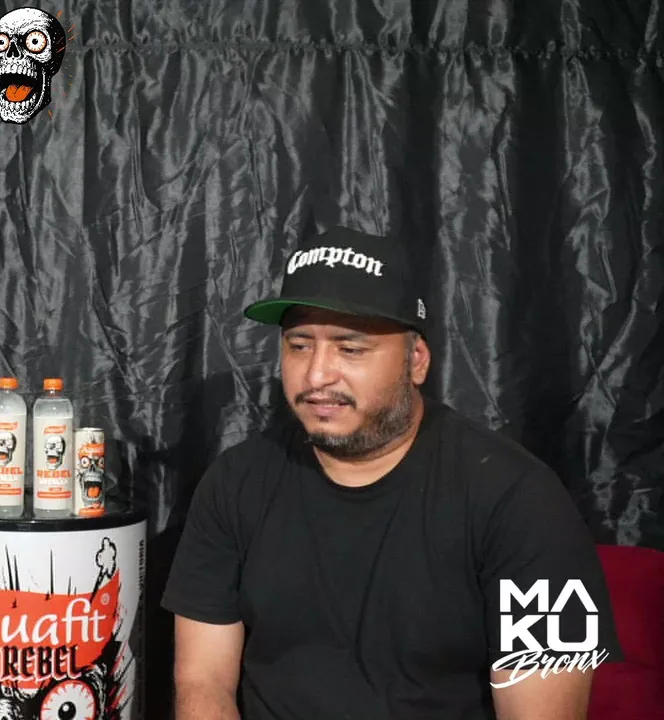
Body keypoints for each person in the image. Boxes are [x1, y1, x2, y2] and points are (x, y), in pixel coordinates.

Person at [162, 226, 622, 720]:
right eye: (299, 346)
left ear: (416, 360)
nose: (316, 375)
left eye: (350, 348)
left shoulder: (522, 500)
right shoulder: (234, 482)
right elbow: (202, 681)